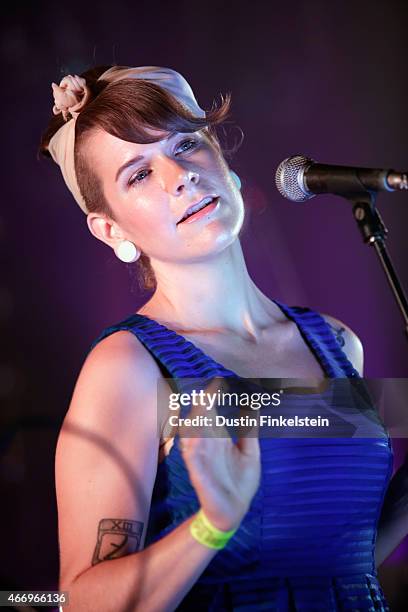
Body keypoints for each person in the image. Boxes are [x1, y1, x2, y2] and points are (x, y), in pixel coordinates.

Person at [39, 64, 405, 611]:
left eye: (186, 144)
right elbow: (76, 601)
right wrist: (211, 527)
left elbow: (333, 561)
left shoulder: (336, 342)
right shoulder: (127, 367)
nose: (179, 175)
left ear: (223, 162)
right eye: (138, 173)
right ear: (111, 229)